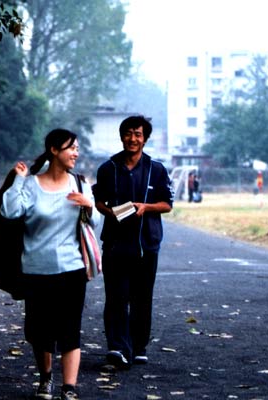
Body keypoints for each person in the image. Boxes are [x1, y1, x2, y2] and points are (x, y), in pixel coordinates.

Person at [0, 129, 99, 400]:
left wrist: (88, 205)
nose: (76, 153)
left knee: (69, 328)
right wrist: (18, 181)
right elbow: (9, 211)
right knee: (39, 331)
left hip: (72, 269)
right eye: (71, 148)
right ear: (54, 150)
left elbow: (96, 222)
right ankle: (45, 379)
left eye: (78, 148)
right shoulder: (31, 185)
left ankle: (70, 388)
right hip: (36, 270)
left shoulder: (79, 183)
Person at [93, 115, 174, 369]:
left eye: (138, 134)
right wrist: (111, 212)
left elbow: (167, 205)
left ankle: (138, 346)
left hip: (146, 244)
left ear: (145, 138)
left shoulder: (156, 169)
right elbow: (99, 201)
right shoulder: (108, 168)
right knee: (116, 297)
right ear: (122, 136)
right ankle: (117, 348)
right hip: (116, 245)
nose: (133, 138)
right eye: (128, 133)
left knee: (142, 298)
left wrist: (145, 207)